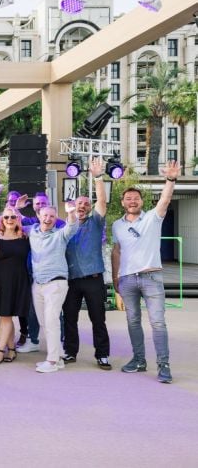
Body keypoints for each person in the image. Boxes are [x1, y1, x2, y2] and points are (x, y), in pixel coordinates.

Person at [111, 161, 179, 384]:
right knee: (132, 322)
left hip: (151, 277)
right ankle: (139, 360)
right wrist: (115, 279)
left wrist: (170, 180)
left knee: (158, 322)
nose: (132, 201)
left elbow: (166, 199)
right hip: (128, 280)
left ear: (142, 202)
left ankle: (164, 365)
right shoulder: (117, 226)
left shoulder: (153, 217)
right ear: (123, 203)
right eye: (128, 198)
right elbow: (117, 252)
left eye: (136, 198)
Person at [63, 158, 111, 370]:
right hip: (71, 281)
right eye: (78, 203)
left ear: (90, 208)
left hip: (93, 279)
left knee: (98, 320)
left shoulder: (95, 222)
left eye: (85, 204)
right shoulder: (64, 227)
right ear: (73, 206)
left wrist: (98, 177)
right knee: (70, 319)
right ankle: (70, 352)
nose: (81, 206)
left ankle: (102, 355)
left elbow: (102, 201)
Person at [29, 203, 78, 373]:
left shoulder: (60, 234)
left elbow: (72, 226)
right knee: (44, 323)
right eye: (45, 215)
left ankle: (52, 361)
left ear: (56, 218)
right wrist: (15, 208)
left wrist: (71, 213)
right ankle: (57, 359)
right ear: (39, 216)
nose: (48, 219)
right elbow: (12, 222)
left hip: (56, 283)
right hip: (38, 284)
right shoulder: (32, 232)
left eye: (52, 216)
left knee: (51, 321)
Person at [0, 206, 31, 365]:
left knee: (6, 316)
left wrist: (17, 207)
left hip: (18, 281)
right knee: (5, 315)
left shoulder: (26, 236)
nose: (9, 220)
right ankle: (9, 349)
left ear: (18, 219)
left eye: (13, 217)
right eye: (6, 217)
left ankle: (1, 351)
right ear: (1, 220)